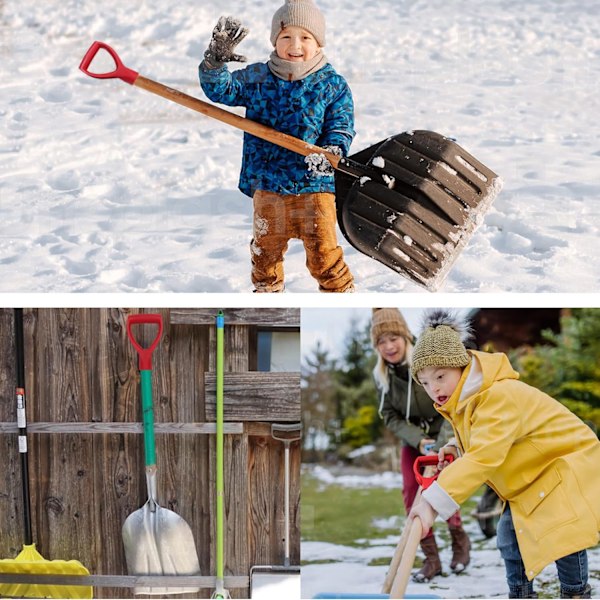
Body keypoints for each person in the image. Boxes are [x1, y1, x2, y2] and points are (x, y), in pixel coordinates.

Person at [409, 308, 600, 599]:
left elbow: (485, 455)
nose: (433, 388)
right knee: (510, 541)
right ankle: (520, 594)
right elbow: (486, 441)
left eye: (440, 376)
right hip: (533, 477)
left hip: (564, 465)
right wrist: (456, 449)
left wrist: (432, 503)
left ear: (460, 366)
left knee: (564, 536)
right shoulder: (468, 400)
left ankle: (575, 594)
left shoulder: (496, 396)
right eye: (424, 382)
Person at [198, 0, 355, 293]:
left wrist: (331, 151)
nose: (295, 44)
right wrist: (214, 64)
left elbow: (340, 125)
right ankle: (268, 297)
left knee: (324, 258)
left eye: (305, 37)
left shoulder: (332, 85)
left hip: (314, 186)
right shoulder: (258, 78)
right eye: (286, 36)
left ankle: (340, 296)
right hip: (269, 185)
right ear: (275, 41)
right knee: (264, 257)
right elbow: (222, 90)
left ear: (319, 43)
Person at [370, 308, 471, 582]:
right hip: (414, 442)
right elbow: (388, 415)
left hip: (444, 435)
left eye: (393, 338)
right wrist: (418, 440)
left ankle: (460, 543)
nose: (389, 346)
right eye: (381, 341)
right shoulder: (382, 377)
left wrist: (440, 444)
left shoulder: (426, 360)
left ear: (405, 335)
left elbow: (453, 401)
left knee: (444, 489)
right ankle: (431, 559)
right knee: (410, 494)